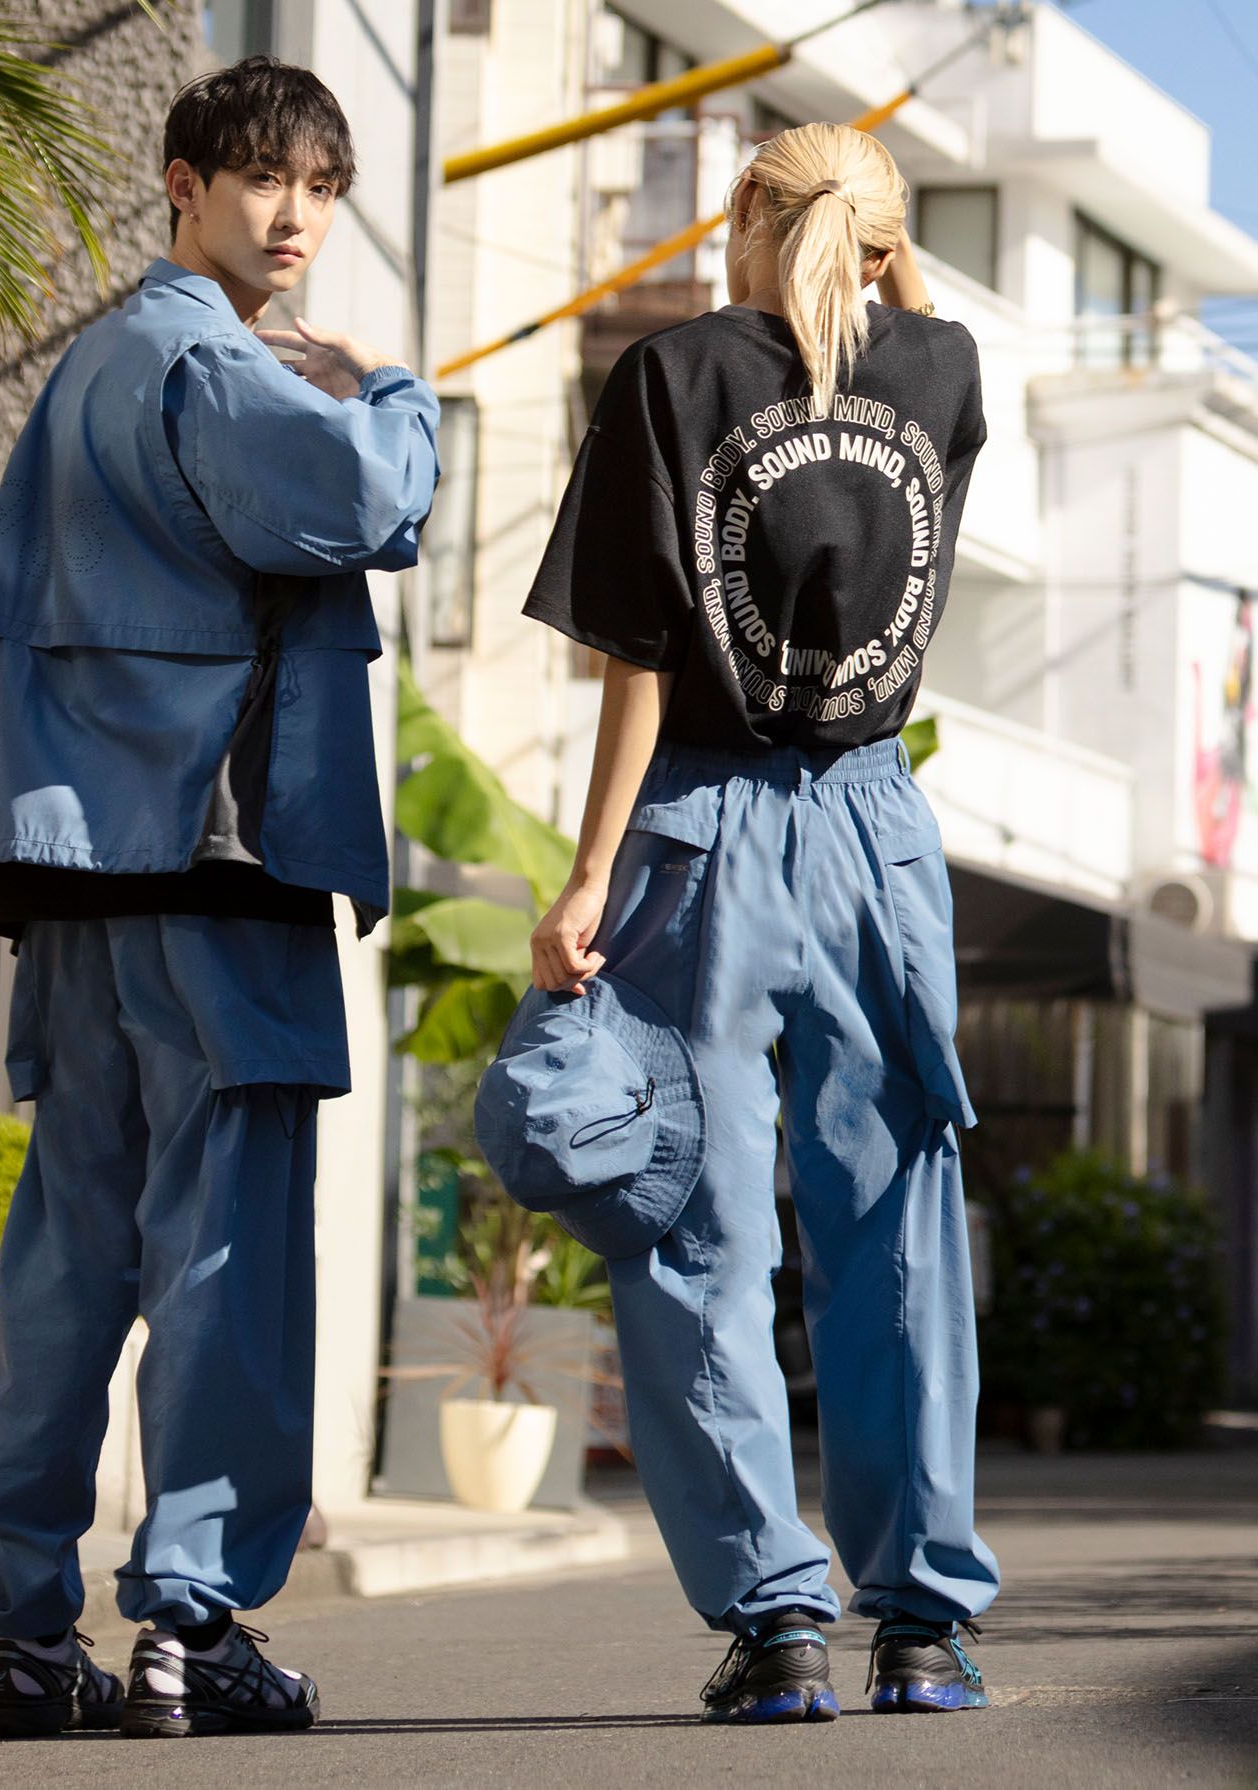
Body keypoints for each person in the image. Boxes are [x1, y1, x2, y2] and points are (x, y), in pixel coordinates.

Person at [0, 56, 436, 1741]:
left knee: (72, 1260)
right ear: (180, 182)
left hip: (75, 882)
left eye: (317, 187)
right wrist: (392, 390)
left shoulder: (88, 363)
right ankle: (193, 1620)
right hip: (213, 868)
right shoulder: (211, 359)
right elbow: (365, 502)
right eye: (256, 180)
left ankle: (20, 1636)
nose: (289, 215)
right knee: (224, 1262)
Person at [515, 120, 995, 1724]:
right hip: (874, 821)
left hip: (703, 821)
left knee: (688, 1229)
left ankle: (774, 1619)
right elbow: (904, 321)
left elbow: (636, 657)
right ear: (879, 243)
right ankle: (920, 1624)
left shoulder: (670, 375)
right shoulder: (939, 370)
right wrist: (876, 258)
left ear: (737, 214)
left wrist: (586, 873)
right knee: (895, 1220)